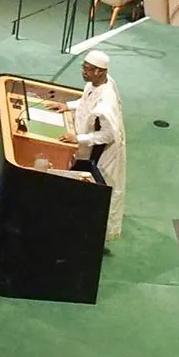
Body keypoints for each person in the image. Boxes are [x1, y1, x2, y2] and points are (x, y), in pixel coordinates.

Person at [63, 50, 127, 241]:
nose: (84, 72)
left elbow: (107, 134)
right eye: (83, 67)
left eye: (88, 69)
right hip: (90, 143)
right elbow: (86, 102)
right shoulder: (97, 83)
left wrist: (79, 139)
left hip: (103, 153)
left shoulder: (106, 103)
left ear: (100, 71)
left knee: (100, 192)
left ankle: (93, 235)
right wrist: (68, 105)